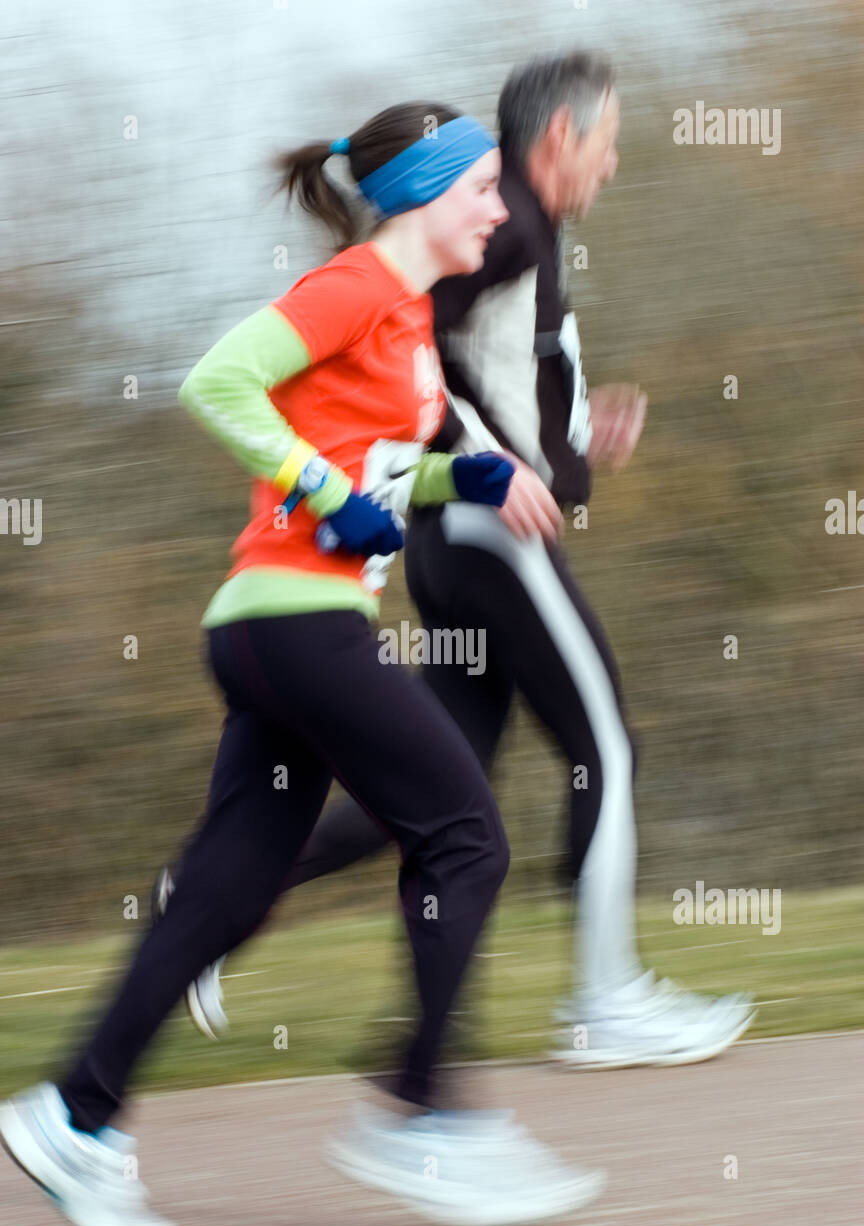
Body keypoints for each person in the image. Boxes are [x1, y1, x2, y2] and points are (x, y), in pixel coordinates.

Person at [0, 102, 606, 1226]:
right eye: (481, 188)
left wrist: (456, 485)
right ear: (427, 193)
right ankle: (421, 1110)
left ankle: (75, 1113)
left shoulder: (410, 317)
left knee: (230, 883)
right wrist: (330, 499)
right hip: (299, 625)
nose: (498, 208)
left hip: (273, 628)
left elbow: (366, 469)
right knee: (466, 834)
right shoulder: (358, 286)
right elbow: (218, 382)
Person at [165, 52, 755, 1067]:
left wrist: (572, 440)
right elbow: (416, 349)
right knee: (605, 746)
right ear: (560, 138)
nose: (612, 167)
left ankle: (216, 889)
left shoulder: (523, 226)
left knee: (438, 791)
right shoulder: (511, 219)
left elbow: (486, 369)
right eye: (608, 145)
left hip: (453, 546)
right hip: (487, 539)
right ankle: (603, 999)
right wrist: (493, 461)